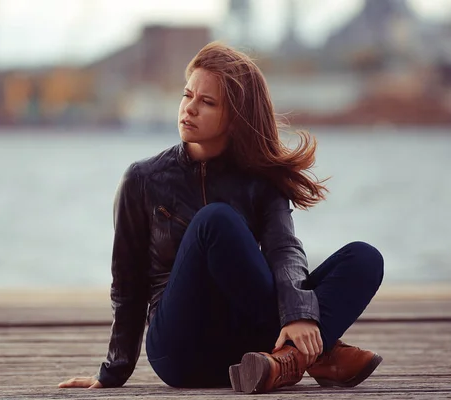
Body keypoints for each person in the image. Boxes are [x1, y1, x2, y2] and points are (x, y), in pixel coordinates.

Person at [58, 41, 384, 394]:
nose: (189, 109)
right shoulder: (142, 179)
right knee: (216, 221)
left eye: (207, 102)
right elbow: (127, 285)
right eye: (187, 96)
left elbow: (284, 250)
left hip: (248, 350)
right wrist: (112, 371)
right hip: (180, 351)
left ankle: (281, 363)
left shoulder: (261, 180)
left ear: (236, 118)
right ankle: (313, 357)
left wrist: (299, 314)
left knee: (363, 258)